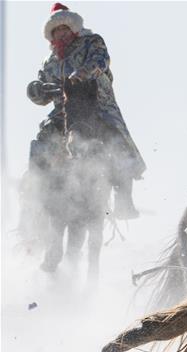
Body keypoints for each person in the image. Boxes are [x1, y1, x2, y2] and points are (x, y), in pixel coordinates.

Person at [25, 3, 145, 220]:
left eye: (64, 29)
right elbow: (42, 90)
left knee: (116, 140)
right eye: (56, 30)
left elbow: (101, 61)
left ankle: (124, 199)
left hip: (96, 103)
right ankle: (35, 189)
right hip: (62, 112)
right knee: (41, 140)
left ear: (73, 28)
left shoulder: (92, 42)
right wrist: (38, 90)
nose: (61, 33)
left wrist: (81, 74)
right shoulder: (50, 60)